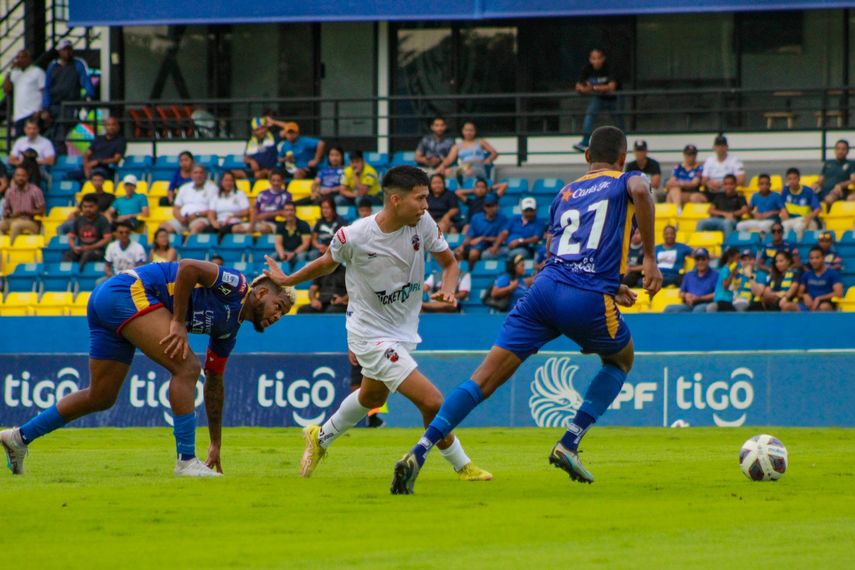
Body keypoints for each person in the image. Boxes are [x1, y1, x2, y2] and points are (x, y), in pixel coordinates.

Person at [391, 126, 661, 494]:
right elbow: (643, 190)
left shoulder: (564, 193)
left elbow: (564, 252)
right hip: (586, 296)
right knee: (620, 361)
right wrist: (648, 258)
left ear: (586, 158)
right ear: (623, 159)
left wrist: (613, 284)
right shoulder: (628, 179)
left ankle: (418, 451)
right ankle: (569, 441)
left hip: (544, 290)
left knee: (481, 380)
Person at [263, 165, 491, 482]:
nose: (426, 205)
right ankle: (462, 465)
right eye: (420, 198)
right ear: (395, 200)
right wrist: (287, 279)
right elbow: (325, 265)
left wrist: (449, 290)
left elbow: (450, 264)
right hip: (369, 335)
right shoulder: (354, 236)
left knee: (372, 398)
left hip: (403, 329)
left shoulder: (422, 223)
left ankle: (320, 437)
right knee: (433, 401)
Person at [0, 260, 295, 478]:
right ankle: (185, 461)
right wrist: (178, 322)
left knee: (101, 396)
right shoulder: (237, 285)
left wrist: (216, 443)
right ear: (260, 294)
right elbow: (189, 268)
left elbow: (214, 382)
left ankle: (18, 438)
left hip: (107, 302)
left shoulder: (228, 332)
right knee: (187, 368)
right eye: (279, 306)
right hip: (127, 292)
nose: (279, 316)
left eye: (284, 314)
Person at [42, 39, 95, 153]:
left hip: (70, 106)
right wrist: (46, 108)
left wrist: (87, 97)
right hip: (54, 106)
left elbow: (86, 82)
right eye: (64, 50)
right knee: (51, 132)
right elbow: (47, 88)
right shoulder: (53, 66)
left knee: (62, 132)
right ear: (59, 51)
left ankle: (60, 156)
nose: (67, 52)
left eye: (69, 49)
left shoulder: (78, 64)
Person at [573, 49, 622, 153]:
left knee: (619, 119)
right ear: (590, 60)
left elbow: (612, 87)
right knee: (590, 115)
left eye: (599, 58)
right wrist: (589, 88)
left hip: (614, 98)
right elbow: (579, 87)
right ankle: (585, 142)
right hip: (599, 98)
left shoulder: (610, 67)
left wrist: (593, 88)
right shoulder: (587, 68)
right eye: (593, 59)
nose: (596, 61)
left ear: (603, 58)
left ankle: (623, 141)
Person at [455, 193, 508, 271]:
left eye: (493, 205)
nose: (490, 208)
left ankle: (471, 274)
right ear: (484, 207)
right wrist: (462, 246)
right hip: (477, 245)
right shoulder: (476, 218)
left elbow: (501, 238)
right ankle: (458, 276)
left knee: (474, 253)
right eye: (488, 206)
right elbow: (470, 237)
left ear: (497, 206)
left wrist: (483, 238)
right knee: (457, 253)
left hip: (491, 246)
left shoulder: (502, 219)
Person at [160, 165, 217, 235]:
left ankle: (186, 245)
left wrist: (197, 214)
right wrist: (180, 218)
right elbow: (176, 208)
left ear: (205, 175)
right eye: (195, 173)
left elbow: (213, 210)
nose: (198, 175)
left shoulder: (213, 189)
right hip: (182, 219)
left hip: (200, 219)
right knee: (163, 227)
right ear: (191, 175)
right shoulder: (184, 188)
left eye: (201, 173)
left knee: (197, 227)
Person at [232, 169, 291, 235]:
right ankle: (249, 243)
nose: (276, 183)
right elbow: (255, 209)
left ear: (282, 181)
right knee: (236, 229)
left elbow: (284, 212)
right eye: (273, 180)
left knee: (264, 229)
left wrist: (266, 215)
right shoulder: (262, 193)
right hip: (257, 222)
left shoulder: (286, 195)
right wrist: (252, 224)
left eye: (278, 180)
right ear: (270, 181)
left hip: (273, 223)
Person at [68, 116, 127, 181]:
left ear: (118, 127)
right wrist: (86, 166)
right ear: (105, 127)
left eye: (113, 125)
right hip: (89, 167)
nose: (111, 127)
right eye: (108, 125)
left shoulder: (121, 141)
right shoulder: (98, 139)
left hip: (105, 168)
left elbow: (116, 159)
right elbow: (87, 154)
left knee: (96, 175)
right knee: (68, 176)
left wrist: (98, 162)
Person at [3, 49, 46, 137]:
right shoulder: (15, 73)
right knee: (21, 142)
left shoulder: (37, 72)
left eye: (22, 57)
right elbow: (6, 89)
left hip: (32, 113)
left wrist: (40, 109)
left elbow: (44, 91)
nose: (19, 60)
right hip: (19, 115)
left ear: (28, 59)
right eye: (18, 57)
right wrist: (9, 71)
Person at [63, 193, 111, 266]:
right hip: (81, 249)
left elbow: (107, 238)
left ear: (97, 207)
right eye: (85, 207)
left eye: (91, 207)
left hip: (97, 251)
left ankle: (79, 275)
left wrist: (91, 247)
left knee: (87, 254)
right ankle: (67, 276)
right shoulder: (78, 220)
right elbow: (71, 236)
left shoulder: (102, 220)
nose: (87, 209)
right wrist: (74, 247)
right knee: (68, 255)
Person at [664, 248, 717, 313]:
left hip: (706, 304)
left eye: (703, 259)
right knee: (669, 309)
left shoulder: (716, 275)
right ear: (695, 261)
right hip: (689, 305)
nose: (700, 262)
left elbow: (717, 294)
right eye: (698, 259)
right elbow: (681, 293)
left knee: (698, 310)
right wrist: (686, 295)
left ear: (708, 260)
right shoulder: (689, 275)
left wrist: (699, 298)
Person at [0, 166, 44, 242]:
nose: (20, 178)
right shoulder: (10, 192)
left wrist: (26, 212)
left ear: (27, 177)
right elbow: (5, 209)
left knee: (16, 225)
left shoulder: (35, 191)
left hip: (31, 222)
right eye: (18, 175)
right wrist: (7, 213)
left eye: (23, 176)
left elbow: (41, 210)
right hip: (13, 219)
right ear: (14, 177)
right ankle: (1, 251)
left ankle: (11, 250)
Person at [98, 222, 147, 286]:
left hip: (132, 279)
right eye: (121, 232)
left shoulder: (138, 247)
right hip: (115, 277)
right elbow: (107, 266)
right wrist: (110, 274)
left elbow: (141, 269)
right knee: (99, 282)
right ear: (116, 233)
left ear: (130, 233)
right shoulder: (111, 246)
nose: (124, 235)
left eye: (126, 232)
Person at [780, 167, 821, 241]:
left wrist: (809, 217)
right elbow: (781, 205)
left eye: (794, 178)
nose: (792, 181)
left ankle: (797, 248)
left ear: (799, 179)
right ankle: (785, 247)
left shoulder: (808, 191)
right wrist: (783, 211)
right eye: (790, 179)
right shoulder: (785, 191)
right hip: (791, 219)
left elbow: (818, 209)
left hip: (805, 219)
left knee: (798, 227)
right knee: (783, 226)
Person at [799, 247, 843, 312]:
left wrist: (819, 298)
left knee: (824, 307)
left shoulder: (833, 273)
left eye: (817, 258)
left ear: (823, 258)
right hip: (809, 304)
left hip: (825, 303)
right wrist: (804, 295)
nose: (814, 261)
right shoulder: (806, 274)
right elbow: (799, 292)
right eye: (811, 258)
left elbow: (839, 293)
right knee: (788, 306)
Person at [207, 171, 250, 237]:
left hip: (234, 222)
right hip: (220, 222)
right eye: (226, 180)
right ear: (221, 182)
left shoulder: (239, 194)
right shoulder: (216, 196)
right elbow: (211, 213)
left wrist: (233, 215)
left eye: (231, 180)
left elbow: (246, 211)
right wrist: (214, 222)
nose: (228, 183)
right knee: (206, 230)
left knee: (223, 230)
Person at [274, 202, 312, 270]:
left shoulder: (304, 225)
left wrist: (293, 254)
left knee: (301, 257)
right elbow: (278, 243)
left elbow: (305, 245)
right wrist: (282, 254)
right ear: (283, 212)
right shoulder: (280, 226)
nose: (289, 213)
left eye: (291, 210)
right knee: (273, 256)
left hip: (299, 252)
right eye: (286, 210)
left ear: (295, 211)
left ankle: (300, 278)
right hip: (285, 251)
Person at [815, 139, 855, 205]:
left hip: (838, 191)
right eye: (838, 149)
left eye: (843, 149)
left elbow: (853, 180)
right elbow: (821, 180)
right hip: (824, 190)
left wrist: (841, 185)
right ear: (835, 150)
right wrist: (816, 184)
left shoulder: (851, 164)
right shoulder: (828, 163)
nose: (840, 151)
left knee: (829, 198)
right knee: (808, 194)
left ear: (847, 151)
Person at [710, 248, 742, 312]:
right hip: (722, 300)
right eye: (737, 258)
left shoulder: (734, 270)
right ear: (730, 258)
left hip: (729, 299)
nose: (739, 261)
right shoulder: (725, 270)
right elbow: (725, 286)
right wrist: (732, 274)